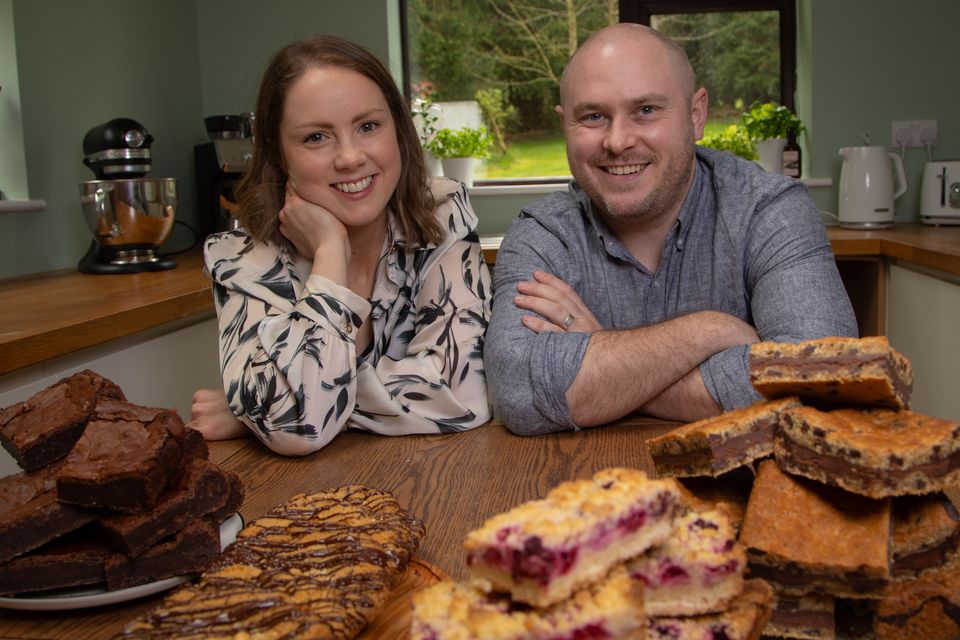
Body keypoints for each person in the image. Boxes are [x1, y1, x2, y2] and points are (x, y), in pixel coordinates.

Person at [484, 23, 857, 435]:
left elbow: (819, 378)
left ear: (696, 115)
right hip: (590, 490)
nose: (618, 141)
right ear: (565, 125)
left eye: (646, 110)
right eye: (593, 116)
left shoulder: (769, 210)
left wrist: (605, 357)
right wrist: (711, 330)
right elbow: (518, 395)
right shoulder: (541, 234)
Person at [190, 35, 492, 456]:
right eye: (316, 137)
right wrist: (330, 252)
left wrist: (262, 411)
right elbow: (298, 429)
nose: (350, 157)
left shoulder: (442, 218)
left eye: (368, 126)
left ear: (398, 131)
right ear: (280, 154)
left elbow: (467, 396)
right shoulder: (242, 259)